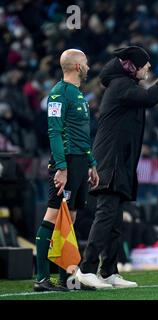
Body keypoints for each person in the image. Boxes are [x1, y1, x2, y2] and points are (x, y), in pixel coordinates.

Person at [76, 46, 158, 288]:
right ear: (132, 67)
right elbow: (151, 98)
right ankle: (86, 269)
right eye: (145, 64)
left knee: (115, 220)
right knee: (105, 216)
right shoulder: (121, 86)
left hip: (119, 162)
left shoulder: (124, 86)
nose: (148, 68)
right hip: (111, 162)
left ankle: (108, 272)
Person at [34, 49, 99, 292]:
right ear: (77, 67)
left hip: (81, 162)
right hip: (67, 163)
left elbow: (83, 135)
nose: (89, 67)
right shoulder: (58, 94)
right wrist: (61, 168)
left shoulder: (78, 95)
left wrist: (91, 163)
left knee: (70, 218)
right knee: (53, 214)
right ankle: (41, 278)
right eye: (86, 63)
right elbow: (55, 132)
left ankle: (66, 279)